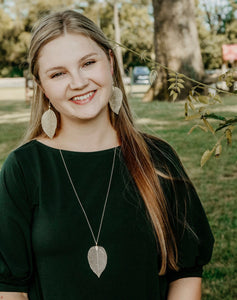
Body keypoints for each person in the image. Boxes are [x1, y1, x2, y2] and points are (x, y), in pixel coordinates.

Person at [0, 10, 214, 300]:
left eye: (88, 63)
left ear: (110, 63)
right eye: (58, 73)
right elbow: (10, 289)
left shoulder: (158, 158)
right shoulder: (23, 169)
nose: (78, 82)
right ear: (43, 87)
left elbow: (186, 273)